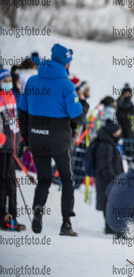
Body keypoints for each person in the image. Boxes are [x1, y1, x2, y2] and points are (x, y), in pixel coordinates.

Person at [18, 44, 89, 236]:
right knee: (67, 179)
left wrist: (26, 138)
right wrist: (83, 102)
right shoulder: (66, 85)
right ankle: (66, 224)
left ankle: (38, 209)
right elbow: (77, 116)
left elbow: (22, 112)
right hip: (59, 141)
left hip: (36, 138)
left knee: (44, 179)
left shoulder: (32, 81)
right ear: (65, 63)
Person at [0, 70, 24, 231]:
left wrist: (18, 141)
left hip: (10, 147)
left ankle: (13, 215)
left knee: (11, 182)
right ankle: (2, 215)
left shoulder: (12, 97)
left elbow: (15, 122)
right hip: (2, 148)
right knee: (1, 181)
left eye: (9, 79)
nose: (8, 82)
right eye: (5, 80)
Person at [94, 120, 123, 234]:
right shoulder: (106, 145)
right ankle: (109, 227)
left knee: (110, 203)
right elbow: (105, 165)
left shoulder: (109, 142)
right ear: (113, 132)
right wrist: (114, 178)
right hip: (106, 180)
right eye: (118, 131)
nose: (120, 133)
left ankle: (110, 227)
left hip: (109, 180)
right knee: (108, 203)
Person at [115, 83, 134, 157]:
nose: (128, 97)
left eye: (130, 95)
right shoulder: (115, 107)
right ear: (122, 95)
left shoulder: (133, 109)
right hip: (118, 145)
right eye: (127, 94)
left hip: (132, 145)